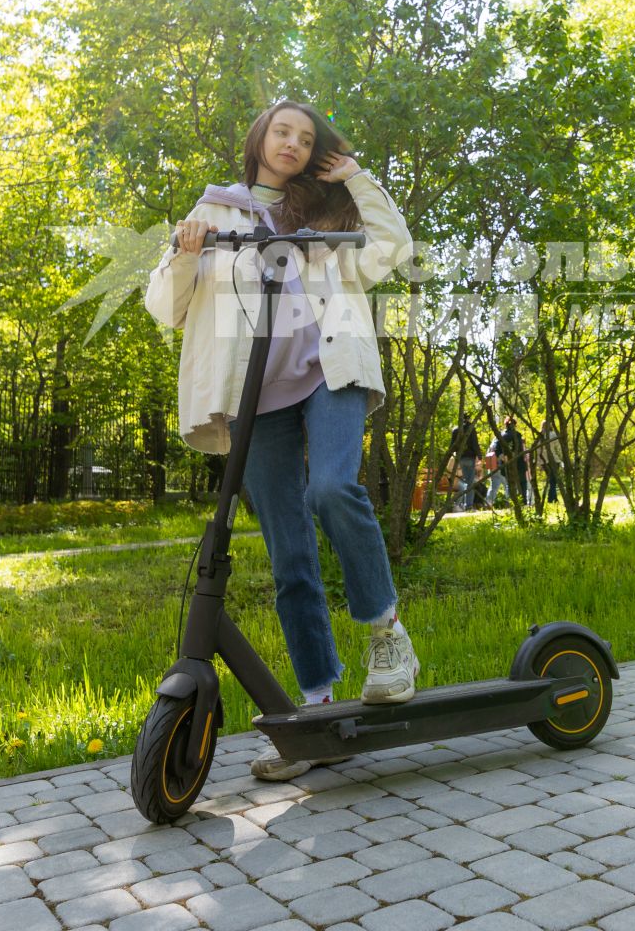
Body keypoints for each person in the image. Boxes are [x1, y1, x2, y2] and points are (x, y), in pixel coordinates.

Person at [144, 99, 417, 781]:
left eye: (305, 137)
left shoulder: (331, 217)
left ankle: (387, 634)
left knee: (331, 486)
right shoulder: (212, 213)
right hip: (254, 394)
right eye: (282, 131)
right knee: (289, 555)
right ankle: (314, 713)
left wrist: (358, 179)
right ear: (260, 138)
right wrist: (183, 257)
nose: (292, 143)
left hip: (332, 369)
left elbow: (394, 249)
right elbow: (164, 308)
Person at [493, 416, 527, 509]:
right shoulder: (518, 435)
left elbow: (496, 449)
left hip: (506, 463)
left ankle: (511, 502)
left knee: (510, 484)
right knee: (522, 483)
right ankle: (523, 502)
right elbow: (520, 449)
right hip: (518, 462)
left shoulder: (501, 435)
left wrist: (503, 458)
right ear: (514, 425)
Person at [449, 414, 481, 511]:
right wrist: (479, 455)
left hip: (461, 458)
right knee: (470, 483)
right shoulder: (471, 429)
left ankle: (461, 504)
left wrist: (451, 454)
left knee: (466, 481)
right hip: (470, 458)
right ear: (468, 419)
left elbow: (452, 445)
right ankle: (468, 506)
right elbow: (475, 443)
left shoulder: (456, 430)